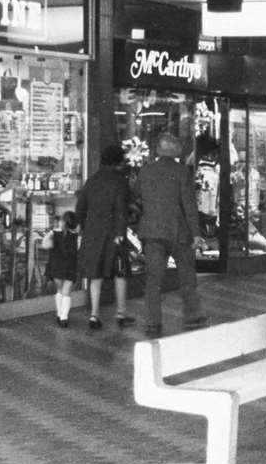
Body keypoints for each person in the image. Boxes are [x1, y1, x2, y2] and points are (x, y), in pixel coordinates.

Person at [132, 133, 204, 337]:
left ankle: (153, 322)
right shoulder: (182, 172)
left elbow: (137, 195)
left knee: (153, 279)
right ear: (175, 151)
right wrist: (196, 233)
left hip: (152, 231)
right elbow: (189, 204)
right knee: (187, 274)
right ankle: (192, 315)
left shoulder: (145, 170)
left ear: (158, 150)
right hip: (178, 231)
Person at [76, 144, 134, 330]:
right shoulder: (120, 182)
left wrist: (82, 227)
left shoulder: (91, 181)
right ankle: (120, 313)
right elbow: (121, 210)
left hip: (93, 233)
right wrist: (120, 233)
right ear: (118, 160)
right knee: (120, 272)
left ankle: (94, 315)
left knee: (95, 274)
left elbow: (81, 207)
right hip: (113, 233)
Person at [42, 210, 81, 328]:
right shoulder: (77, 237)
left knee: (59, 290)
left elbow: (46, 245)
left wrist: (47, 235)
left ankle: (60, 314)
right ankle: (64, 317)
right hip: (70, 266)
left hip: (56, 266)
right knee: (67, 292)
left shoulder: (54, 234)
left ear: (62, 222)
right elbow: (78, 251)